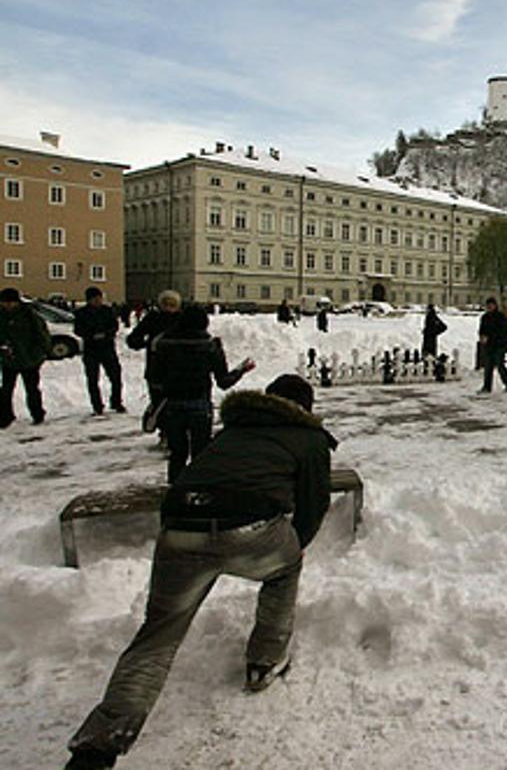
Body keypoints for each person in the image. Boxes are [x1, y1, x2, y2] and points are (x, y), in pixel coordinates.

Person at [65, 375, 336, 769]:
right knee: (284, 570)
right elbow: (314, 505)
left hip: (180, 528)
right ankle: (264, 661)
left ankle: (98, 746)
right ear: (305, 409)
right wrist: (295, 543)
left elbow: (193, 479)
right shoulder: (310, 439)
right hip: (251, 530)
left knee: (157, 636)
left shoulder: (231, 431)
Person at [152, 305, 255, 484]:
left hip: (172, 405)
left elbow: (154, 377)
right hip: (199, 404)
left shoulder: (163, 344)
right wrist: (241, 370)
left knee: (177, 453)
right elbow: (223, 382)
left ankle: (175, 491)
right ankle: (198, 490)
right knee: (200, 452)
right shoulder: (209, 345)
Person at [127, 290, 183, 425]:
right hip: (156, 367)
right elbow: (133, 339)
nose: (169, 307)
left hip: (179, 367)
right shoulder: (153, 318)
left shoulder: (183, 319)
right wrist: (148, 344)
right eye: (166, 303)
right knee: (159, 401)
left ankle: (175, 432)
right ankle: (163, 431)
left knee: (176, 402)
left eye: (172, 304)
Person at [0, 287, 50, 428]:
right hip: (9, 359)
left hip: (30, 359)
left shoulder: (29, 315)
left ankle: (37, 414)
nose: (8, 305)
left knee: (32, 389)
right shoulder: (1, 316)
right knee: (6, 390)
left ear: (17, 302)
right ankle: (5, 416)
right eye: (5, 302)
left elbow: (41, 336)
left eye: (11, 302)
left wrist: (40, 353)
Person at [74, 287, 126, 416]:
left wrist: (106, 334)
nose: (98, 301)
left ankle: (116, 402)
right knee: (92, 379)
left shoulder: (107, 311)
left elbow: (114, 326)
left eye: (99, 298)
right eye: (95, 299)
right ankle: (97, 405)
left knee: (116, 377)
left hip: (107, 348)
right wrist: (91, 335)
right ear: (89, 300)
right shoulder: (82, 313)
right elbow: (78, 330)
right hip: (91, 349)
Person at [477, 297, 507, 393]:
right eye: (488, 305)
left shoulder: (500, 317)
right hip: (489, 345)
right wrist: (482, 337)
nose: (489, 307)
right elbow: (482, 329)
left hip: (499, 345)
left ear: (495, 305)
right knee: (488, 366)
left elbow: (506, 331)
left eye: (491, 305)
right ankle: (487, 386)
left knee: (500, 364)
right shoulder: (485, 317)